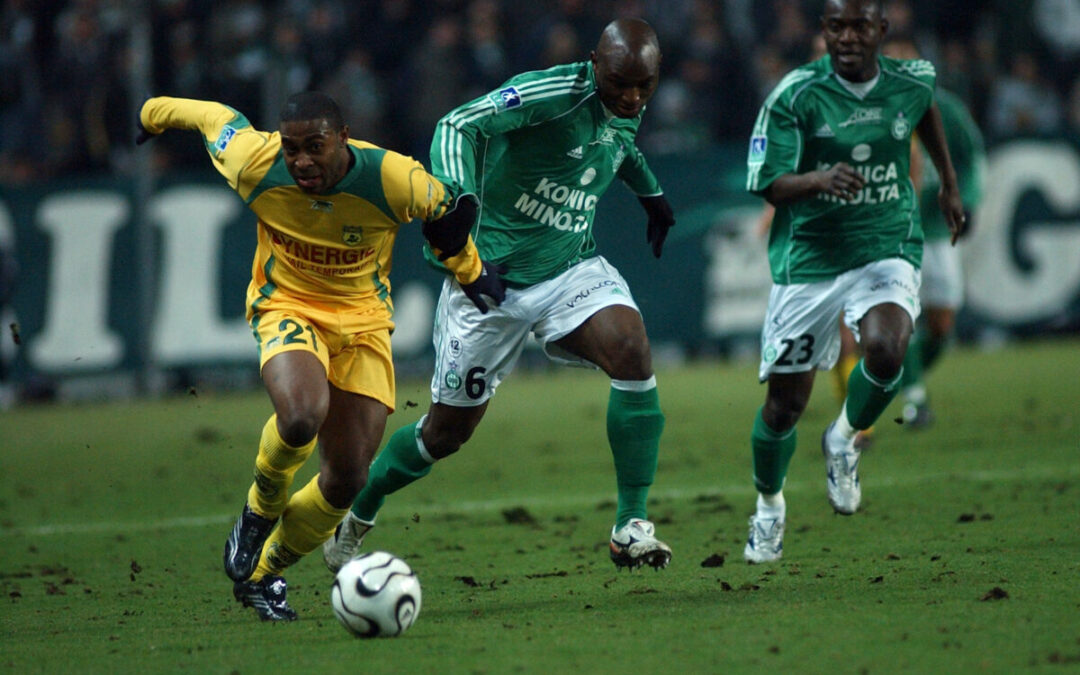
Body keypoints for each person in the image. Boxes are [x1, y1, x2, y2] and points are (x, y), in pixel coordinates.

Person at [323, 18, 677, 573]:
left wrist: (650, 193)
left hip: (569, 268)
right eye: (619, 83)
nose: (632, 96)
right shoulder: (552, 94)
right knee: (445, 434)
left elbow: (619, 145)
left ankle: (630, 524)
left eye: (644, 85)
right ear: (593, 63)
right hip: (489, 282)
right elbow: (458, 122)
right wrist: (459, 203)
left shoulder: (629, 102)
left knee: (632, 349)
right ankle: (357, 516)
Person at [136, 91, 505, 620]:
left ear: (344, 138)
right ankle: (258, 512)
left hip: (364, 324)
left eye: (315, 146)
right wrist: (151, 114)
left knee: (350, 476)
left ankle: (263, 575)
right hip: (287, 305)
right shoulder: (253, 161)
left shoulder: (392, 178)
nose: (302, 160)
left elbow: (445, 211)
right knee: (303, 413)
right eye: (292, 149)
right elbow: (213, 117)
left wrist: (471, 272)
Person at [742, 0, 964, 563]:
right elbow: (767, 183)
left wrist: (948, 185)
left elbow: (925, 111)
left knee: (887, 349)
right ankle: (769, 508)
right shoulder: (794, 94)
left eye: (859, 25)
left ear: (881, 31)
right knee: (783, 408)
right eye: (836, 26)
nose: (847, 37)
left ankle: (842, 439)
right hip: (811, 260)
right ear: (823, 31)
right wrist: (817, 179)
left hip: (886, 243)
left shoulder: (911, 80)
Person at [884, 38, 986, 429]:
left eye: (905, 57)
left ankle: (894, 379)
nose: (899, 64)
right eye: (890, 59)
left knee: (941, 325)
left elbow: (972, 157)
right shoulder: (870, 112)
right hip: (892, 232)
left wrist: (969, 199)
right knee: (900, 320)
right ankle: (915, 398)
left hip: (935, 230)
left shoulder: (944, 107)